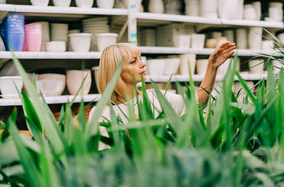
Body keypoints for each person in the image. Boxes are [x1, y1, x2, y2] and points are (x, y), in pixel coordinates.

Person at [89, 42, 235, 149]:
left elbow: (198, 104)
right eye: (134, 61)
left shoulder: (156, 97)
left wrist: (212, 67)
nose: (143, 64)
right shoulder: (101, 113)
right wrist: (127, 135)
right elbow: (102, 158)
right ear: (116, 71)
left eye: (140, 58)